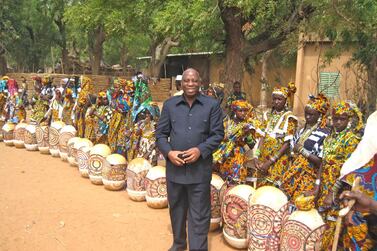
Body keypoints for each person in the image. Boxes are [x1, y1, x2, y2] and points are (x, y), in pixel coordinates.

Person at [156, 68, 224, 251]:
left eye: (194, 80)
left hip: (199, 171)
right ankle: (178, 244)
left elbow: (218, 135)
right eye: (187, 80)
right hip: (175, 171)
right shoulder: (170, 105)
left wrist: (200, 150)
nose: (191, 84)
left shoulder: (212, 106)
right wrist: (169, 153)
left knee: (199, 214)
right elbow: (160, 134)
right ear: (181, 83)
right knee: (176, 210)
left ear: (200, 82)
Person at [311, 101, 363, 250]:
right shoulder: (329, 138)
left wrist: (332, 193)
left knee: (334, 228)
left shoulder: (351, 140)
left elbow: (349, 170)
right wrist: (317, 185)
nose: (338, 122)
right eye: (336, 118)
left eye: (343, 119)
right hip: (325, 186)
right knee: (322, 225)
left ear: (349, 120)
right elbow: (323, 162)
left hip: (340, 189)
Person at [282, 94, 330, 201]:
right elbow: (292, 149)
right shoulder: (302, 130)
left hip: (308, 177)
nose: (307, 117)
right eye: (306, 113)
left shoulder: (324, 134)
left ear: (320, 115)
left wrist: (302, 150)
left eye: (311, 115)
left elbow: (320, 161)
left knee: (301, 204)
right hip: (294, 173)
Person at [254, 82, 298, 187]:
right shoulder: (267, 115)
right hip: (263, 158)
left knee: (273, 190)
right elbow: (262, 137)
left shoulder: (290, 118)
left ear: (285, 101)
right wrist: (256, 156)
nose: (276, 102)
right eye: (274, 99)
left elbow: (287, 144)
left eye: (280, 99)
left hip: (278, 160)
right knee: (261, 189)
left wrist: (270, 162)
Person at [213, 100, 262, 184]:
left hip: (237, 157)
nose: (243, 113)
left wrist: (247, 137)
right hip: (224, 157)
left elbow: (251, 144)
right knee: (222, 182)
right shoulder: (227, 123)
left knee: (235, 182)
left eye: (245, 110)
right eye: (240, 111)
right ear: (235, 111)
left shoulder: (247, 126)